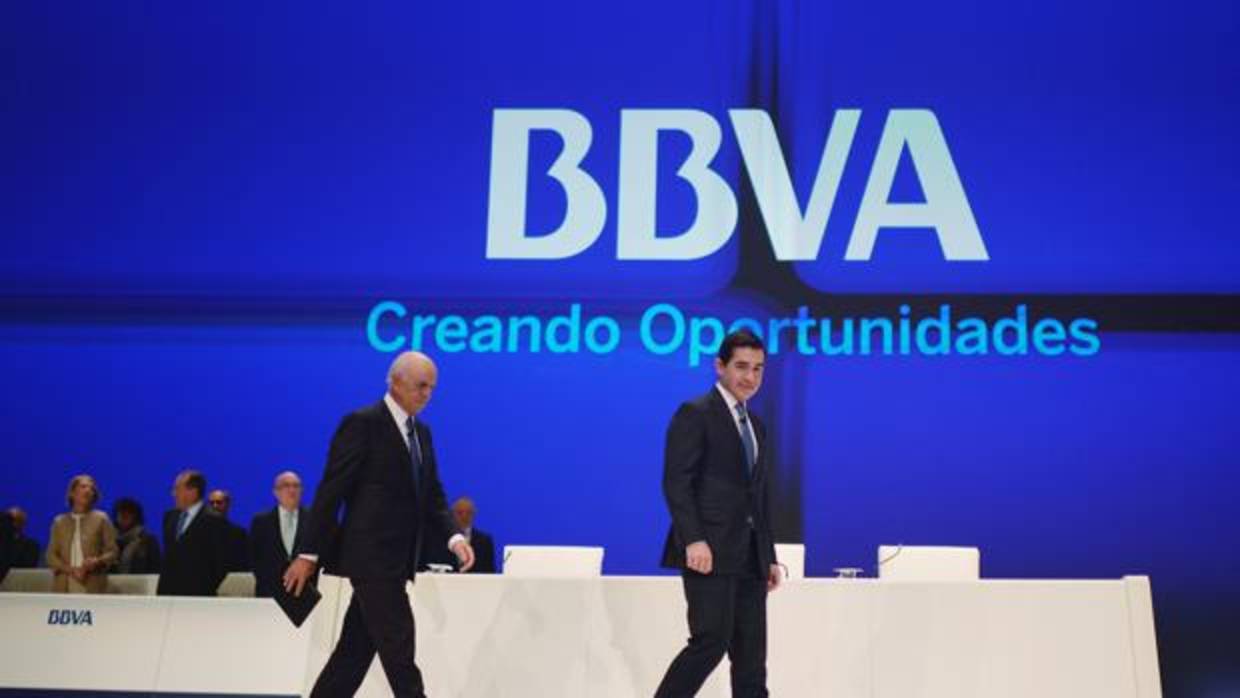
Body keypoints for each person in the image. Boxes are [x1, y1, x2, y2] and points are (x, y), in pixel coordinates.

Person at [284, 351, 475, 698]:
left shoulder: (422, 433)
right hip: (370, 560)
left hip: (397, 563)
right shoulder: (362, 423)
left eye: (432, 388)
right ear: (396, 382)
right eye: (421, 386)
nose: (427, 394)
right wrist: (308, 554)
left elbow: (431, 493)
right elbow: (332, 490)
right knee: (400, 650)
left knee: (352, 655)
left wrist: (454, 537)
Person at [655, 330, 782, 698]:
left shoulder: (756, 425)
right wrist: (693, 538)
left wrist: (768, 555)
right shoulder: (695, 413)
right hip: (708, 552)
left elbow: (758, 496)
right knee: (710, 642)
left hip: (750, 557)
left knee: (752, 661)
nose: (750, 377)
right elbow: (677, 482)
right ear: (719, 365)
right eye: (741, 366)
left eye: (758, 368)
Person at [157, 470, 230, 596]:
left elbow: (221, 563)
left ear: (193, 491)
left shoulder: (214, 520)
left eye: (177, 489)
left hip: (198, 595)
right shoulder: (169, 517)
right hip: (167, 593)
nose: (174, 494)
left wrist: (204, 587)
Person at [46, 474, 119, 593]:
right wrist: (71, 570)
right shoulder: (59, 522)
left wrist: (97, 561)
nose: (88, 490)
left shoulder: (101, 519)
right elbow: (51, 556)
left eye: (92, 488)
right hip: (64, 584)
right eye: (83, 486)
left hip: (93, 583)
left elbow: (113, 552)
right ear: (72, 493)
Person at [249, 471, 314, 598]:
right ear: (276, 492)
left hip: (305, 592)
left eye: (296, 486)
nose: (292, 490)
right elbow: (254, 558)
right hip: (268, 593)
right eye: (286, 485)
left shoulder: (313, 520)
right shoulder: (261, 522)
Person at [111, 497, 162, 574]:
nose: (124, 516)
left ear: (136, 517)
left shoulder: (148, 541)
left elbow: (156, 569)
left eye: (129, 513)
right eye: (121, 513)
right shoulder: (109, 539)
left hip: (141, 581)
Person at [208, 488, 251, 572]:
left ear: (228, 504)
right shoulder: (198, 533)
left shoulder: (238, 534)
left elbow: (245, 563)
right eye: (211, 503)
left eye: (219, 502)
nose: (215, 506)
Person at [450, 497, 496, 574]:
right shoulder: (446, 540)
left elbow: (489, 571)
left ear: (474, 515)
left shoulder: (485, 541)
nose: (464, 516)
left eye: (468, 513)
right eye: (459, 512)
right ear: (451, 515)